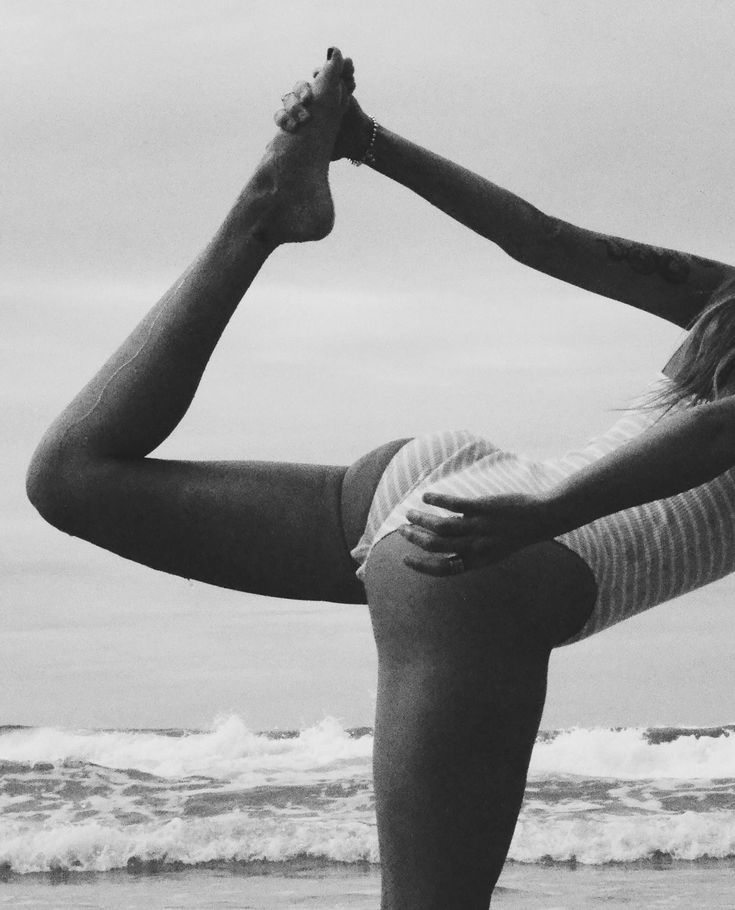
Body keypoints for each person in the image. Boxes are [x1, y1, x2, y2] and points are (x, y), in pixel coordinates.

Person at [26, 48, 735, 909]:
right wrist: (540, 514)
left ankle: (267, 213)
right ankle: (271, 206)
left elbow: (538, 237)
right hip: (490, 566)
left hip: (431, 482)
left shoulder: (724, 297)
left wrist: (366, 143)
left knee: (74, 476)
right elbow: (719, 425)